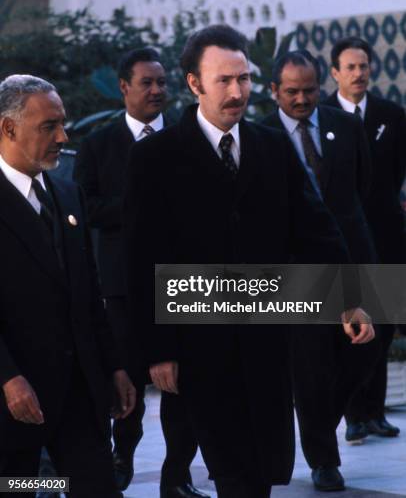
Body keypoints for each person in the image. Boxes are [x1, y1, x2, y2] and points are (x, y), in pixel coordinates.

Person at [123, 25, 372, 498]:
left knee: (266, 468)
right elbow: (142, 257)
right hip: (200, 343)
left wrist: (350, 299)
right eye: (224, 80)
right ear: (194, 83)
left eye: (244, 79)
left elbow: (318, 229)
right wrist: (157, 350)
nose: (237, 92)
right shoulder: (156, 158)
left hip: (267, 341)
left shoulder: (271, 146)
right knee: (232, 469)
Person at [74, 48, 208, 498]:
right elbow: (86, 207)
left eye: (162, 83)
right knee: (128, 383)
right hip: (123, 289)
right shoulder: (97, 145)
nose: (156, 91)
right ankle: (122, 456)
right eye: (146, 83)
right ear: (124, 87)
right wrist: (138, 211)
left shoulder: (189, 139)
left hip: (182, 283)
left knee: (182, 387)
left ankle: (177, 477)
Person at [0, 75, 135, 498]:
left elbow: (88, 290)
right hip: (15, 401)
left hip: (80, 393)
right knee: (19, 489)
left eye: (63, 124)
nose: (63, 136)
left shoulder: (68, 192)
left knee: (94, 488)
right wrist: (8, 377)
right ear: (8, 128)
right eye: (48, 126)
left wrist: (113, 365)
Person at [264, 49, 379, 491]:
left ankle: (319, 423)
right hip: (298, 271)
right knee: (310, 369)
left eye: (310, 90)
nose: (302, 99)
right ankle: (323, 459)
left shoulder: (346, 126)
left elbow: (362, 188)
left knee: (368, 348)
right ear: (274, 91)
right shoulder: (262, 137)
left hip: (354, 260)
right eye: (291, 91)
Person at [325, 37, 406, 442]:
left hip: (387, 236)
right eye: (350, 67)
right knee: (353, 326)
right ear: (335, 72)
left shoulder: (391, 115)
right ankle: (353, 414)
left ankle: (375, 412)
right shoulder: (321, 118)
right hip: (344, 240)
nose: (359, 73)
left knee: (386, 325)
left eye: (364, 66)